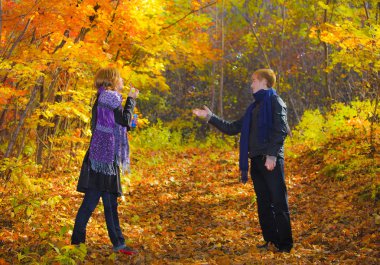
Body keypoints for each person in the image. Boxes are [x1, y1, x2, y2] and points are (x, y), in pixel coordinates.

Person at [193, 69, 293, 253]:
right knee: (263, 204)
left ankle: (285, 245)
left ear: (264, 82)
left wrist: (272, 156)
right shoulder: (253, 108)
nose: (251, 84)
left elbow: (280, 130)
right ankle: (271, 240)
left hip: (270, 160)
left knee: (279, 202)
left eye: (254, 80)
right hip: (255, 160)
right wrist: (210, 117)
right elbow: (232, 128)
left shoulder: (275, 101)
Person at [71, 67, 139, 256]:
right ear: (111, 80)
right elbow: (124, 119)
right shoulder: (110, 98)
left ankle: (112, 244)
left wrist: (129, 121)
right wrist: (132, 99)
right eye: (120, 79)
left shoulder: (102, 98)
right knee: (96, 203)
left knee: (102, 203)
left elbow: (119, 123)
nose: (122, 82)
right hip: (105, 160)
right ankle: (84, 244)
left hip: (100, 158)